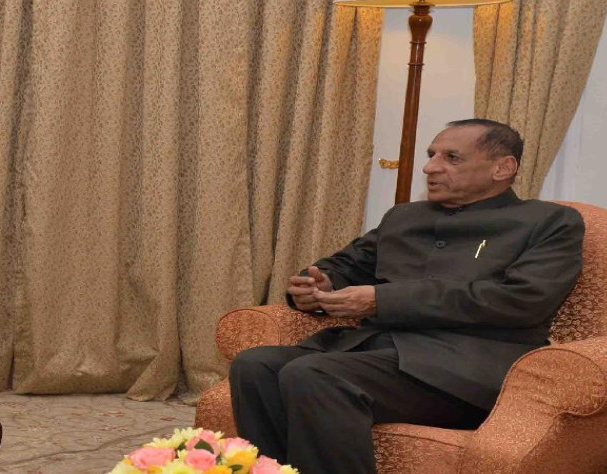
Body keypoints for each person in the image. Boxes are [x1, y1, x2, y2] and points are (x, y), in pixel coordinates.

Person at [228, 119, 584, 474]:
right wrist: (317, 287)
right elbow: (346, 266)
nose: (430, 168)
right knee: (255, 365)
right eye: (431, 155)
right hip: (376, 354)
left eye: (452, 158)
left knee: (315, 374)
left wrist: (382, 300)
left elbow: (523, 300)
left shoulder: (548, 221)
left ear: (502, 168)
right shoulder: (404, 217)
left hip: (463, 372)